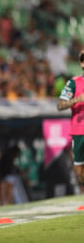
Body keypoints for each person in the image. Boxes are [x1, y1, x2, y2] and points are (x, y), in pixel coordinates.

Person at [57, 50, 84, 190]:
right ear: (81, 63)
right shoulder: (74, 83)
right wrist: (76, 100)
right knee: (79, 171)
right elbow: (60, 105)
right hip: (79, 131)